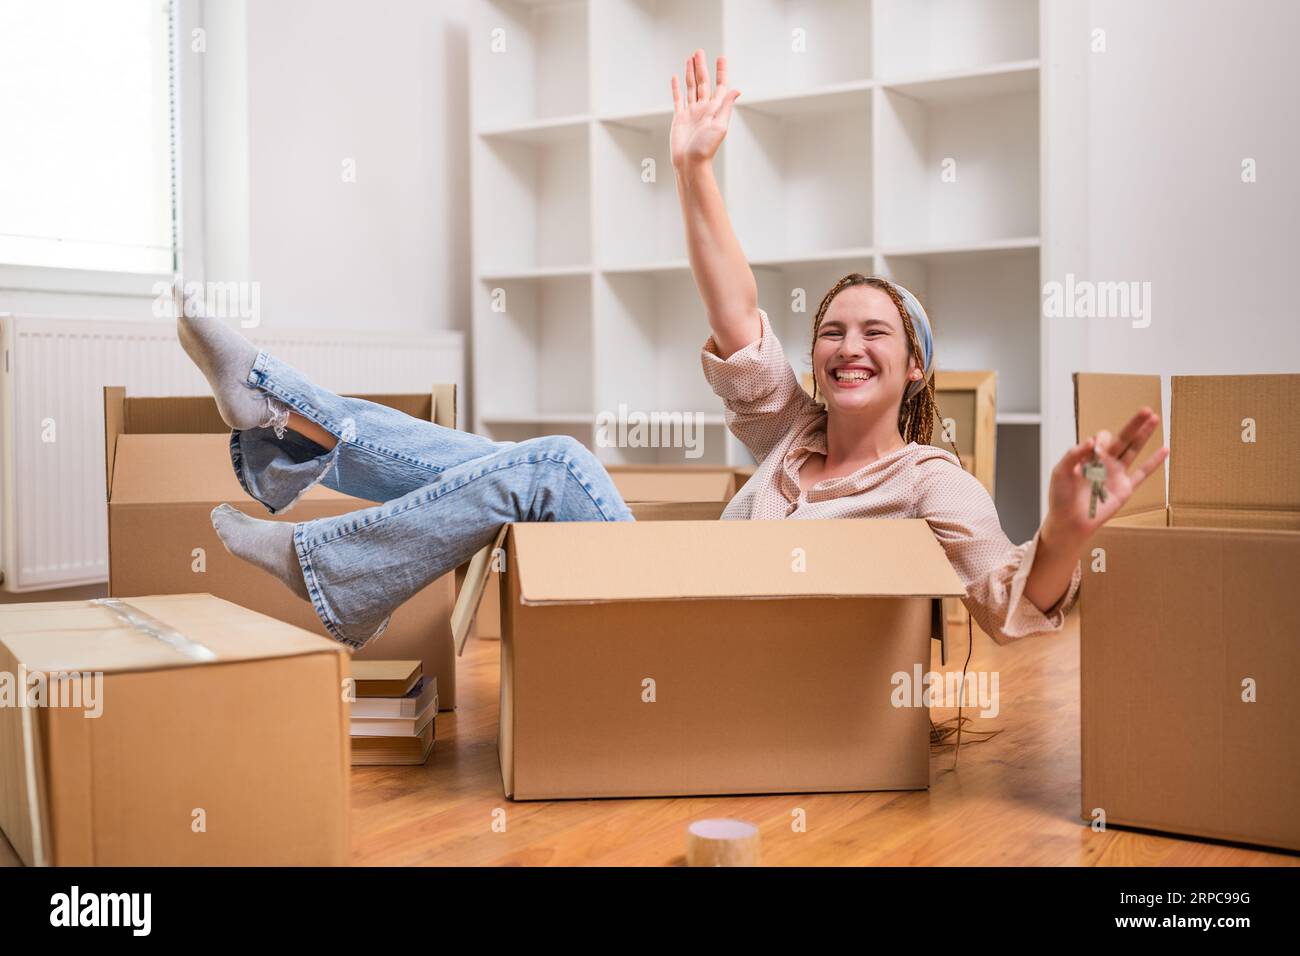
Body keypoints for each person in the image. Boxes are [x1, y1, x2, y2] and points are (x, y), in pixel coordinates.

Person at [180, 50, 1166, 652]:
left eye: (877, 333)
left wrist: (1069, 535)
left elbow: (1003, 601)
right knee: (508, 467)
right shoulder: (792, 430)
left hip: (724, 644)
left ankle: (302, 489)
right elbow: (737, 305)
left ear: (915, 369)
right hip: (668, 598)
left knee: (556, 462)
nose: (847, 345)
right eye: (831, 330)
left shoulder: (932, 480)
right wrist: (693, 169)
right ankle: (283, 416)